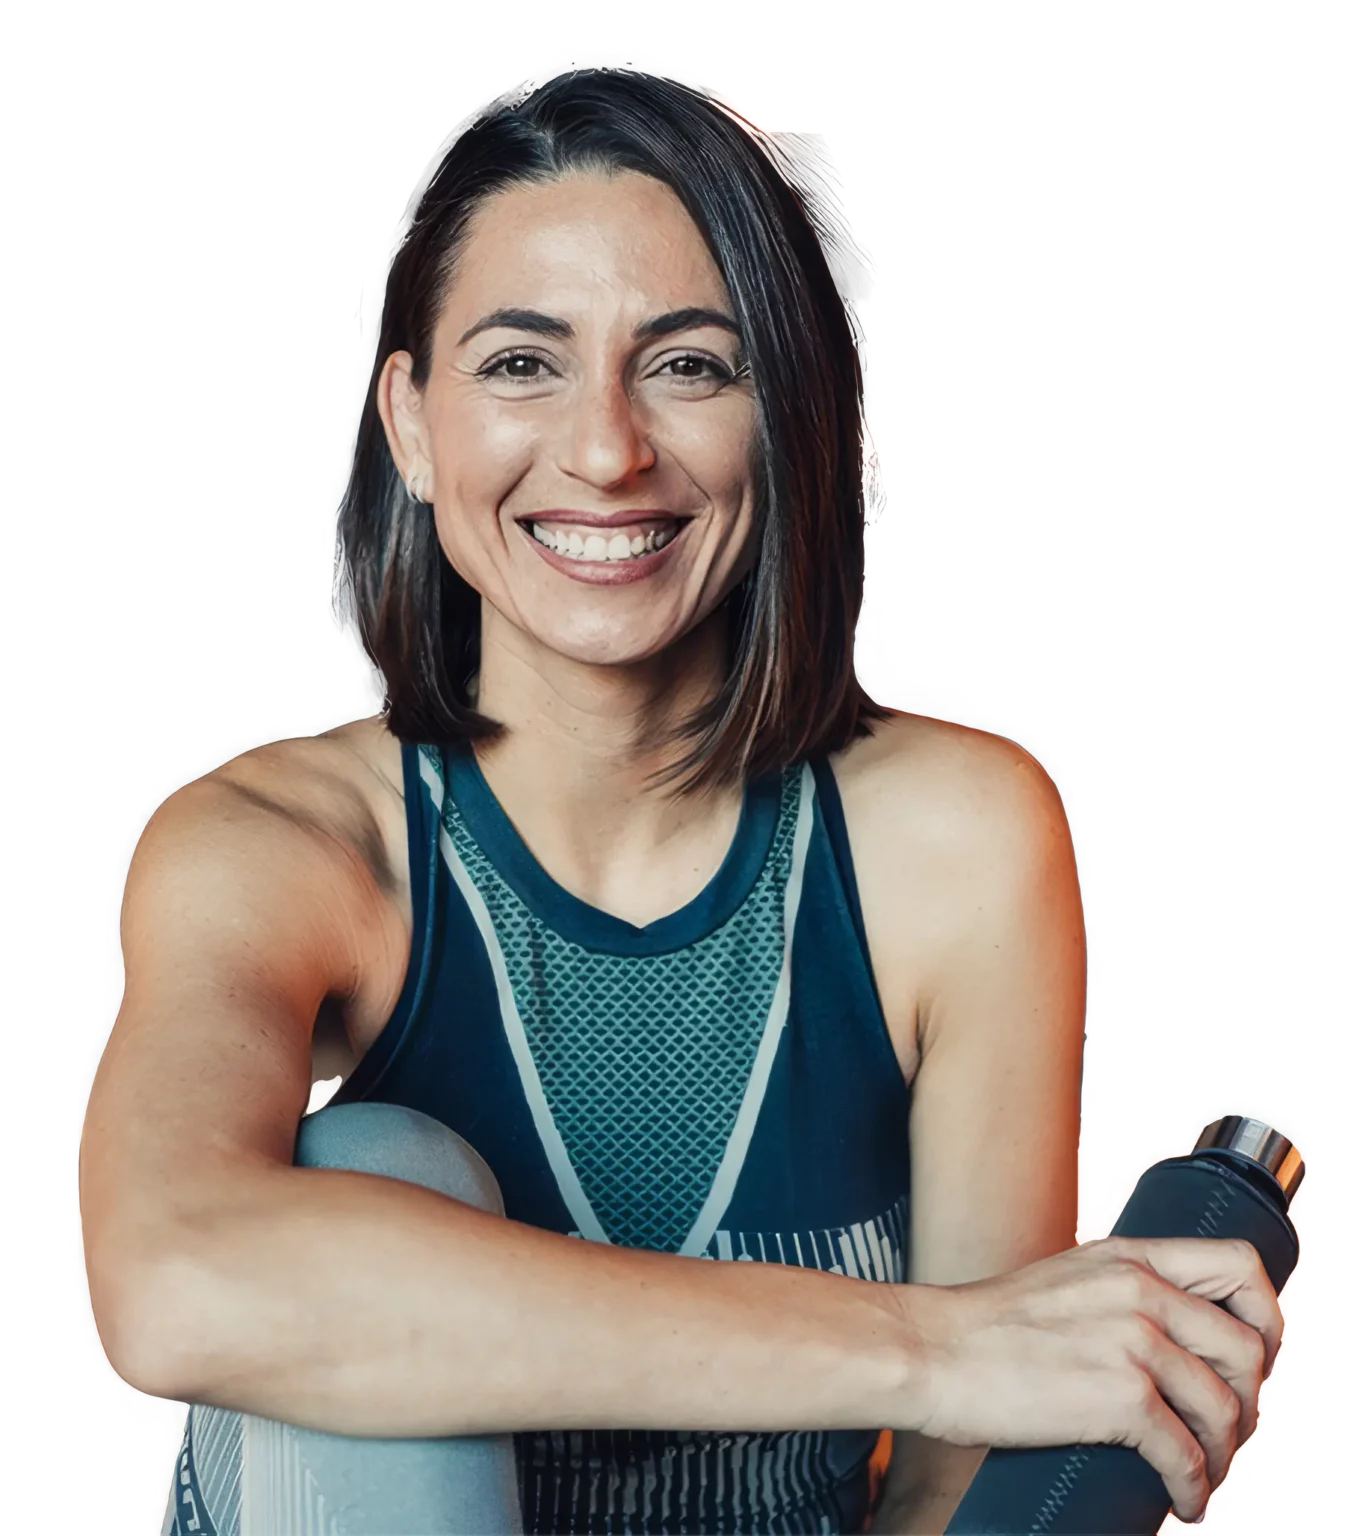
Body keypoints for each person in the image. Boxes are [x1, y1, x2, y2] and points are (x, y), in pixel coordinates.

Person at [77, 62, 1284, 1536]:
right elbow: (176, 1280)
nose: (606, 450)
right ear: (412, 424)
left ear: (794, 417)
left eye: (692, 366)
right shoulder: (282, 850)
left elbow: (963, 1473)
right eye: (520, 364)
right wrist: (938, 1348)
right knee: (370, 1162)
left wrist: (1100, 1370)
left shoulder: (954, 841)